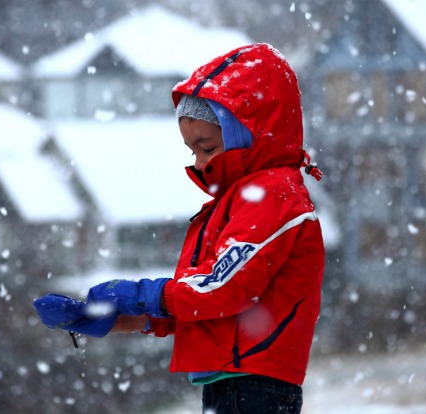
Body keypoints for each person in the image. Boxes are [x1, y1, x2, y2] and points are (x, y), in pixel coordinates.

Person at [34, 43, 325, 414]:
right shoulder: (239, 201)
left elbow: (221, 289)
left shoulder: (273, 196)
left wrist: (140, 293)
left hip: (253, 388)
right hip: (232, 383)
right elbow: (205, 305)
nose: (201, 164)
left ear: (249, 133)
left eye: (208, 147)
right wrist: (119, 320)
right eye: (193, 152)